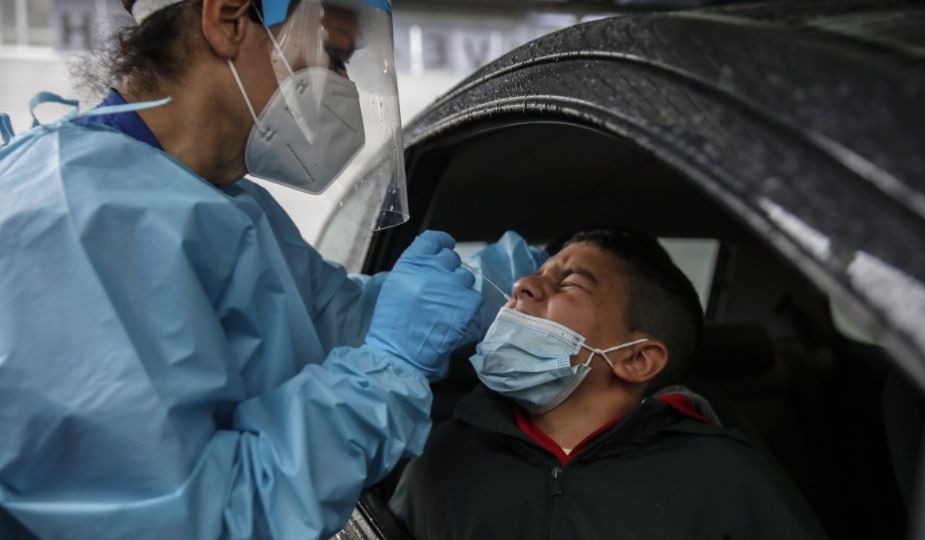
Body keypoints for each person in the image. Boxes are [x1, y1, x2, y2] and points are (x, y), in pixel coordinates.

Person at [0, 1, 536, 538]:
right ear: (229, 21)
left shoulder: (223, 201)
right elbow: (196, 520)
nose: (343, 87)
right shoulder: (77, 220)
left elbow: (328, 320)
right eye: (333, 54)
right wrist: (387, 368)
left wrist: (516, 282)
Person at [389, 228, 826, 540]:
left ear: (636, 359)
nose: (522, 286)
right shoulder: (441, 460)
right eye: (536, 274)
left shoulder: (724, 479)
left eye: (570, 282)